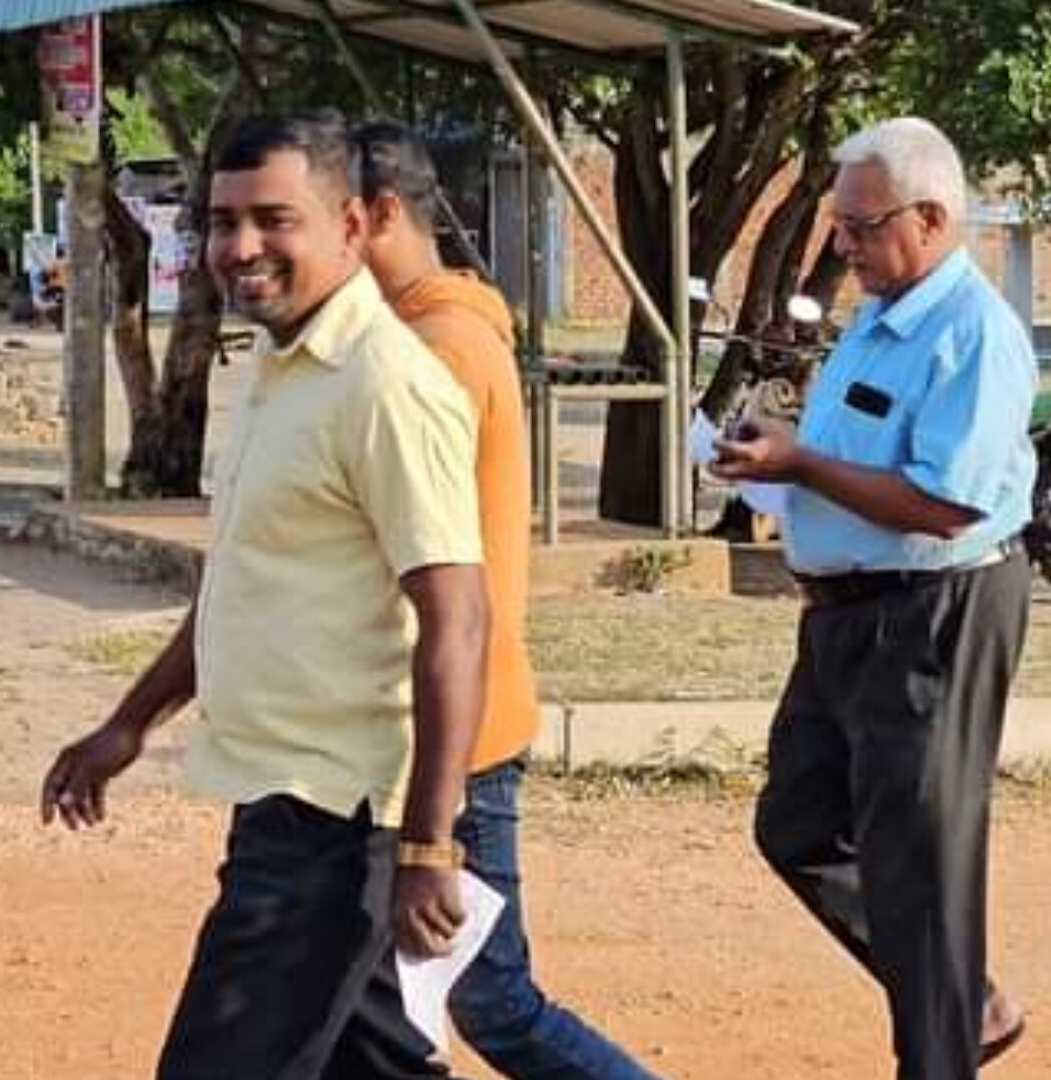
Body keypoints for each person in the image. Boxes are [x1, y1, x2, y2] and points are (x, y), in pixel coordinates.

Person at [39, 112, 488, 1080]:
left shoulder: (384, 384)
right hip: (282, 798)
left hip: (331, 818)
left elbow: (457, 618)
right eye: (222, 221)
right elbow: (242, 587)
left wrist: (427, 845)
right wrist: (130, 723)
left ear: (353, 225)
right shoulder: (286, 368)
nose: (241, 247)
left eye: (274, 219)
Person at [709, 116, 1035, 1080]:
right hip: (845, 616)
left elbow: (944, 503)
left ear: (930, 219)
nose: (843, 246)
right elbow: (847, 457)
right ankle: (964, 1003)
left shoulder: (974, 333)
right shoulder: (874, 320)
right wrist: (774, 462)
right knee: (797, 824)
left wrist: (801, 464)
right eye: (840, 225)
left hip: (935, 609)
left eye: (861, 226)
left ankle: (942, 1041)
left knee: (919, 866)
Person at [353, 119, 668, 1080]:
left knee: (493, 1004)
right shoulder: (420, 332)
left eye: (325, 219)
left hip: (459, 728)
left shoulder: (439, 348)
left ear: (382, 214)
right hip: (431, 722)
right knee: (380, 999)